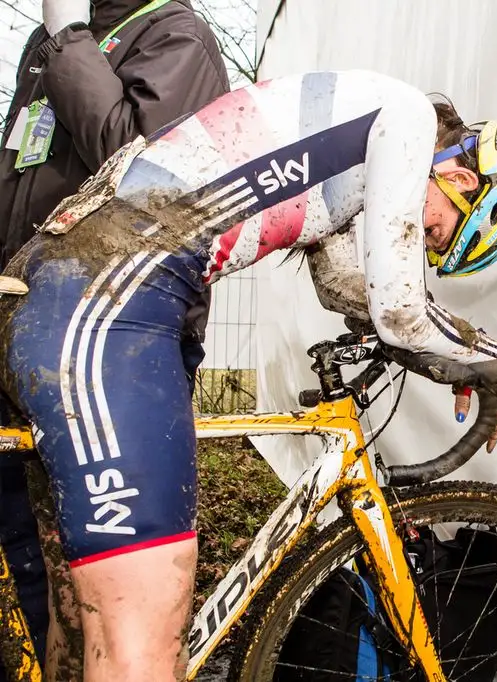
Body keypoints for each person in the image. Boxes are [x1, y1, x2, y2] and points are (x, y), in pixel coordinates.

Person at [0, 68, 497, 682]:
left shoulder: (351, 146)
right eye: (435, 230)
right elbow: (399, 310)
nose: (418, 242)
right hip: (109, 306)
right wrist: (494, 363)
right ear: (462, 177)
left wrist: (472, 353)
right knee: (143, 657)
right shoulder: (408, 116)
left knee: (83, 637)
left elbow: (346, 286)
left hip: (71, 290)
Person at [0, 0, 228, 672]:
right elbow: (19, 180)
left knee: (99, 587)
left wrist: (69, 38)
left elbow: (140, 173)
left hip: (114, 343)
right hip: (29, 330)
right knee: (31, 557)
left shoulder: (176, 34)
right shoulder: (47, 51)